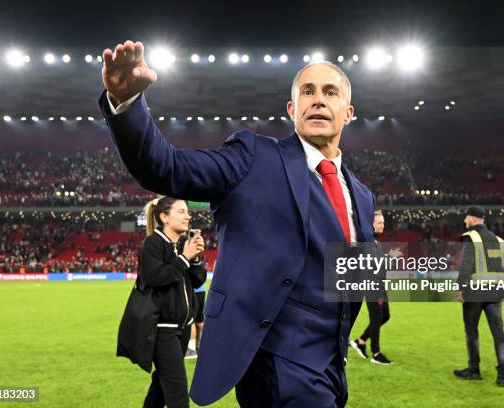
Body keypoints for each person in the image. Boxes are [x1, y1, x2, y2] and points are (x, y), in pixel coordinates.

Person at [100, 40, 376, 407]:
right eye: (307, 92)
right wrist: (126, 103)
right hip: (274, 363)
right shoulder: (252, 158)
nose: (318, 99)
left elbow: (352, 282)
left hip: (331, 367)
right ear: (292, 110)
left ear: (348, 111)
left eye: (330, 92)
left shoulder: (362, 195)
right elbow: (164, 167)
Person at [138, 196, 206, 407]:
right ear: (164, 217)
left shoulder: (181, 244)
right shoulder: (153, 243)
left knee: (160, 388)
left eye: (188, 211)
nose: (188, 216)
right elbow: (156, 278)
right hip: (162, 329)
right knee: (178, 398)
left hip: (183, 328)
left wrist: (195, 259)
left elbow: (198, 281)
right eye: (181, 211)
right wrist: (185, 258)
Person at [454, 205, 504, 387]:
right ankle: (502, 375)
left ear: (472, 218)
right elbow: (500, 268)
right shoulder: (499, 241)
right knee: (499, 334)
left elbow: (467, 265)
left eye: (466, 218)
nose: (464, 221)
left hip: (475, 292)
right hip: (495, 291)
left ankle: (474, 370)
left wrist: (460, 288)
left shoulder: (471, 237)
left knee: (472, 332)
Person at [349, 209, 392, 365]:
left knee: (385, 316)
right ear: (371, 224)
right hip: (372, 287)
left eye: (383, 223)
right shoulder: (367, 242)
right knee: (376, 318)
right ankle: (376, 353)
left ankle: (360, 341)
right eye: (380, 223)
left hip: (379, 286)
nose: (383, 225)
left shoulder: (375, 241)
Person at [185, 281, 207, 360]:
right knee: (199, 321)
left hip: (192, 290)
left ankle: (191, 350)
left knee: (191, 321)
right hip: (201, 289)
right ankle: (214, 342)